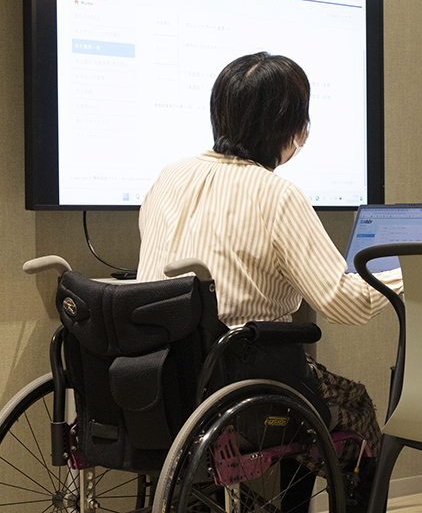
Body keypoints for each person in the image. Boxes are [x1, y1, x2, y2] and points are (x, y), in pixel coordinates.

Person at [138, 51, 402, 510]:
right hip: (238, 384)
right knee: (355, 407)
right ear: (293, 129)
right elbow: (343, 303)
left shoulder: (168, 177)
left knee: (303, 393)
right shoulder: (277, 195)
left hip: (156, 379)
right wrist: (408, 275)